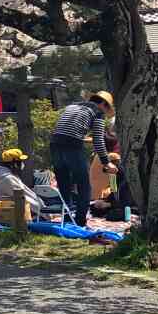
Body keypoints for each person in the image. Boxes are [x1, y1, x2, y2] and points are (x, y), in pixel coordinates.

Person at [49, 90, 118, 226]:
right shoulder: (97, 113)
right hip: (72, 145)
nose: (105, 111)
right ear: (103, 104)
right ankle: (80, 220)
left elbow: (66, 128)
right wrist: (107, 163)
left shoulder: (73, 106)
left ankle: (67, 217)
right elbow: (99, 140)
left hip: (54, 143)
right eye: (107, 107)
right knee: (84, 185)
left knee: (64, 183)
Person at [0, 148, 46, 218]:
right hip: (11, 216)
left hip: (8, 211)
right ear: (14, 164)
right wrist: (48, 215)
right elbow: (28, 200)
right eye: (20, 162)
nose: (22, 164)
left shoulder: (6, 176)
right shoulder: (9, 179)